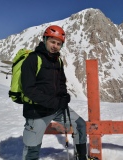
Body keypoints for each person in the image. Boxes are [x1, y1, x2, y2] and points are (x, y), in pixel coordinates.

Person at [21, 25, 87, 160]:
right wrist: (55, 102)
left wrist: (64, 96)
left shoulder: (58, 60)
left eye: (58, 43)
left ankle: (81, 157)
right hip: (37, 111)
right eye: (52, 42)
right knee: (32, 148)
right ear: (45, 40)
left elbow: (61, 82)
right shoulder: (33, 59)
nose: (55, 46)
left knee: (80, 124)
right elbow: (29, 90)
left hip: (57, 109)